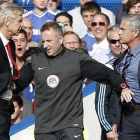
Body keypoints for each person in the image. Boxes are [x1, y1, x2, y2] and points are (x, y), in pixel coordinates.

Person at [13, 21, 132, 140]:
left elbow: (106, 73)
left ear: (60, 39)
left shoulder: (77, 59)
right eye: (43, 41)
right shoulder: (35, 61)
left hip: (70, 126)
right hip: (44, 128)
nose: (45, 45)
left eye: (49, 41)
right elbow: (16, 85)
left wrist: (123, 86)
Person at [95, 25, 127, 140]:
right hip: (114, 127)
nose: (118, 44)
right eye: (114, 41)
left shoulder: (134, 63)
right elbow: (100, 102)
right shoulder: (107, 68)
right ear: (108, 43)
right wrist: (107, 128)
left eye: (120, 40)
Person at [114, 14, 140, 140]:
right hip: (127, 115)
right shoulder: (121, 59)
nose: (119, 33)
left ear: (135, 32)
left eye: (123, 29)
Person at [0, 2, 23, 140]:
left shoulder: (11, 44)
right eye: (19, 20)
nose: (22, 24)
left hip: (6, 106)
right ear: (7, 22)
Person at [11, 29, 33, 119]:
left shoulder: (34, 64)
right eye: (15, 41)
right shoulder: (6, 68)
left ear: (27, 43)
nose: (19, 44)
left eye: (22, 40)